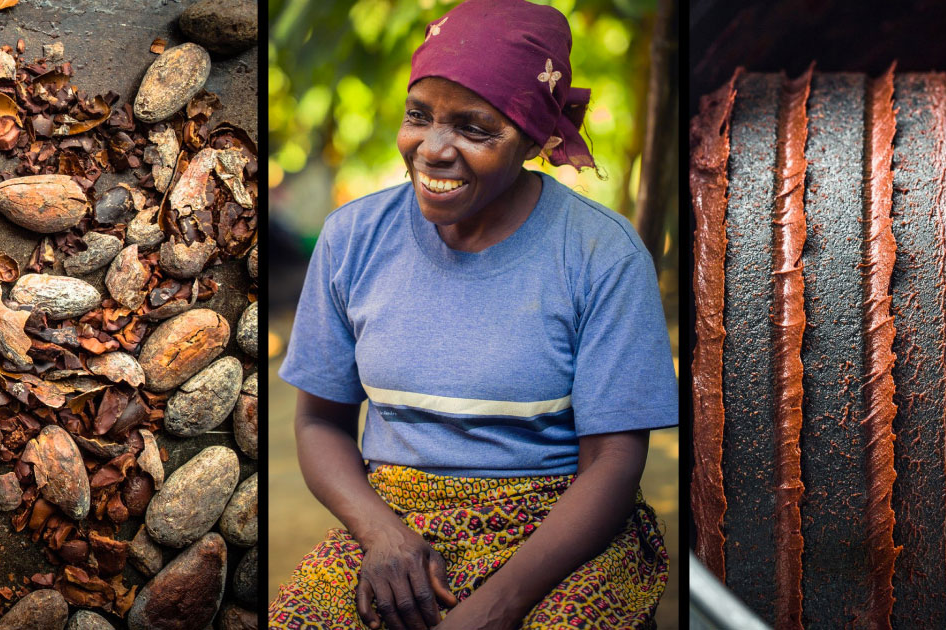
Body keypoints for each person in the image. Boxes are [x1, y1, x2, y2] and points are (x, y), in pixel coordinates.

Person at [269, 1, 678, 628]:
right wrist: (382, 535)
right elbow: (319, 423)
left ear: (535, 139)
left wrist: (499, 608)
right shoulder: (352, 238)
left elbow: (614, 465)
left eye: (475, 129)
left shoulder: (600, 253)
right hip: (397, 518)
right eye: (418, 117)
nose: (432, 150)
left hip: (561, 531)